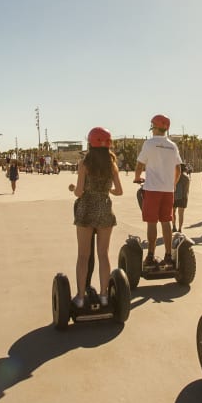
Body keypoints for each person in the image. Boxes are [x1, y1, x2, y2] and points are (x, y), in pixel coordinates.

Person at [71, 127, 123, 307]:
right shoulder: (112, 164)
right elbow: (119, 191)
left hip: (86, 209)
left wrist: (76, 189)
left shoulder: (84, 164)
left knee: (83, 256)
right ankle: (103, 295)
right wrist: (105, 189)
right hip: (104, 209)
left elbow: (78, 192)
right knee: (103, 255)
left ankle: (79, 297)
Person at [133, 114, 182, 268]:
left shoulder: (149, 144)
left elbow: (140, 164)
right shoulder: (172, 146)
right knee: (167, 221)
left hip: (152, 189)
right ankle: (168, 256)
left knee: (152, 222)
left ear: (154, 127)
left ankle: (150, 256)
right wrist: (172, 184)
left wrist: (137, 177)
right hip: (168, 190)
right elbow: (178, 169)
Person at [173, 164, 191, 232]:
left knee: (173, 212)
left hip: (174, 197)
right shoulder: (187, 178)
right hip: (183, 197)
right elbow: (187, 189)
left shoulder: (174, 176)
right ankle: (180, 229)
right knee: (181, 214)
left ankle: (174, 226)